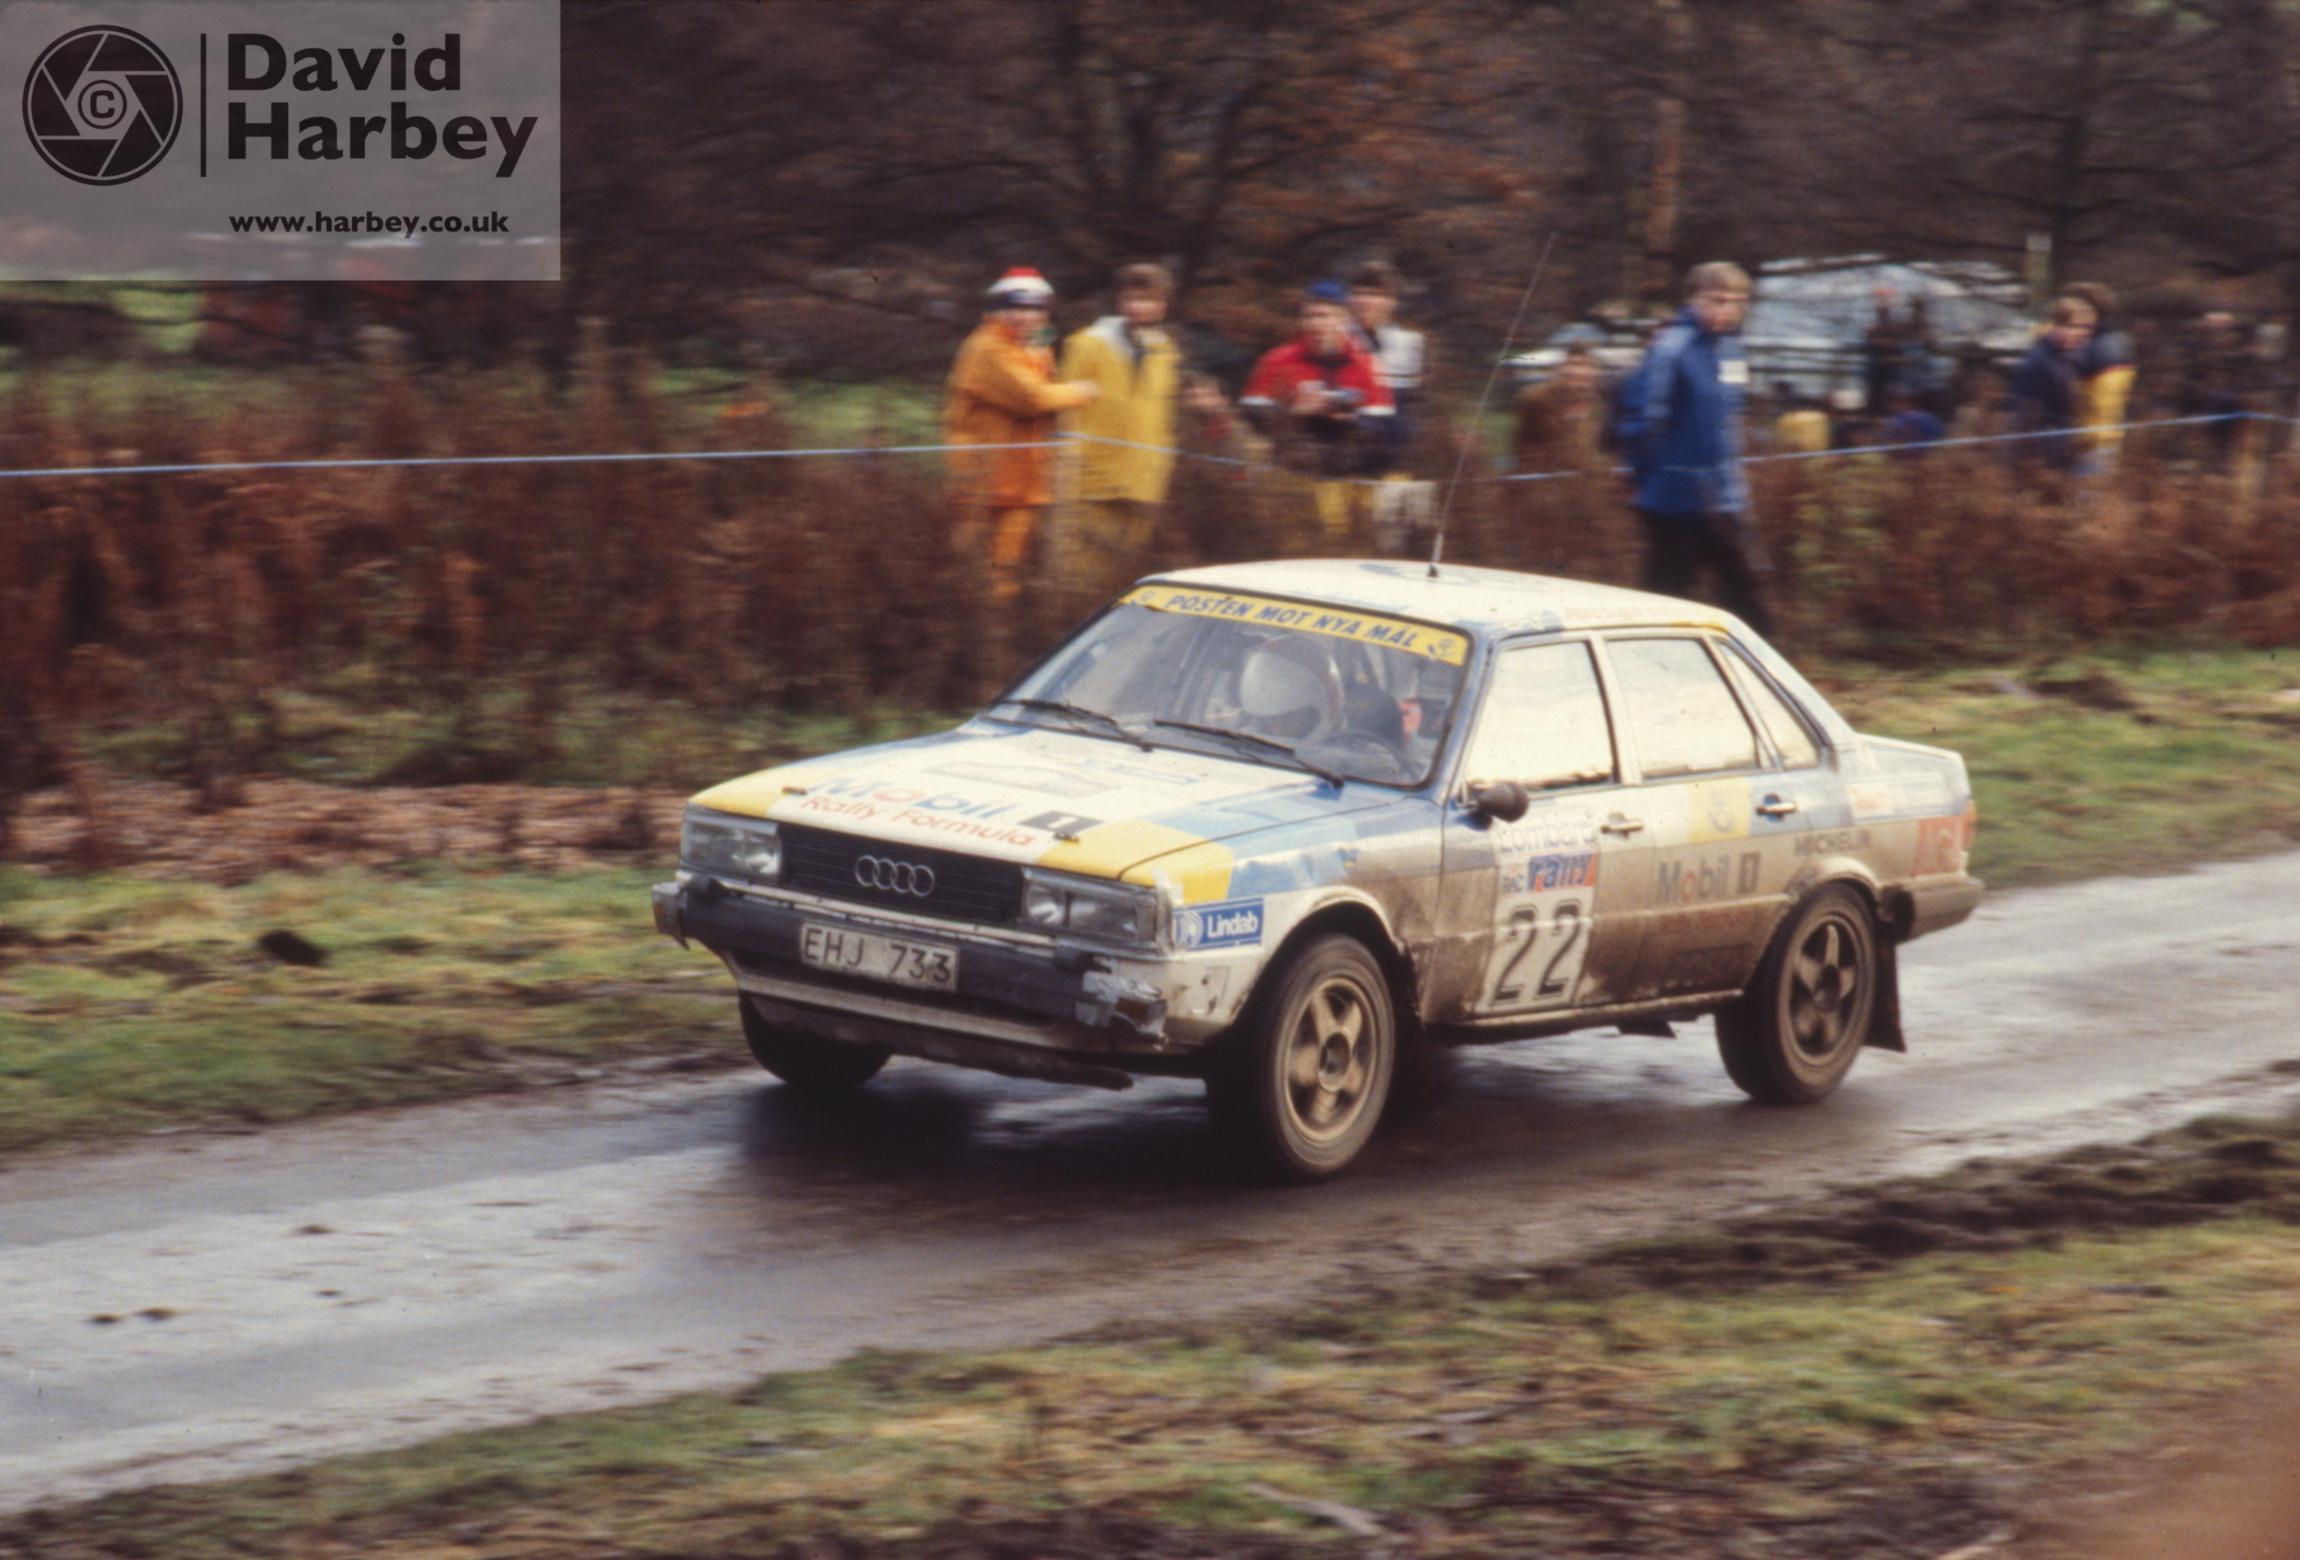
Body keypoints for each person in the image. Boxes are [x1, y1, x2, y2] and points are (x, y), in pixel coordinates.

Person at [1623, 261, 1775, 637]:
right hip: (1673, 501)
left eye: (1736, 302)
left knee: (1748, 594)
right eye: (1716, 300)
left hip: (1725, 499)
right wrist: (1647, 481)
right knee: (1665, 601)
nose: (1725, 310)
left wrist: (1738, 490)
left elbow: (1731, 424)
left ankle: (1765, 678)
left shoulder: (1733, 351)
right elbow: (1647, 422)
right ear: (1693, 299)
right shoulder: (1670, 348)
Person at [943, 268, 1098, 604]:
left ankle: (996, 626)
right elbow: (1032, 399)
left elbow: (1044, 387)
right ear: (1000, 308)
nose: (1028, 317)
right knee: (971, 566)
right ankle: (967, 626)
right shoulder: (986, 347)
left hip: (1022, 477)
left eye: (1037, 309)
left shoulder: (1033, 343)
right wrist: (1080, 391)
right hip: (984, 475)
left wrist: (1044, 354)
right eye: (1019, 307)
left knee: (1006, 570)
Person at [1056, 262, 1183, 604]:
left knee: (1124, 580)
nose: (1139, 307)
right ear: (1119, 301)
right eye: (1131, 298)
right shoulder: (1086, 343)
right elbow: (1065, 411)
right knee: (1083, 577)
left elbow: (1164, 418)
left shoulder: (1166, 351)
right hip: (1095, 480)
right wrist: (1070, 467)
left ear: (1163, 304)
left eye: (1148, 299)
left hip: (1143, 484)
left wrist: (1160, 469)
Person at [1240, 280, 1395, 544]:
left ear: (1344, 320)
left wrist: (1349, 420)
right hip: (1291, 482)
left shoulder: (1367, 365)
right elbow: (1248, 417)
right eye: (1308, 316)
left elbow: (1387, 431)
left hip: (1347, 484)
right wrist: (1293, 412)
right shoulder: (1276, 360)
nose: (1315, 324)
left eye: (1324, 316)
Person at [1347, 261, 1426, 471]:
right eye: (1358, 293)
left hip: (1392, 458)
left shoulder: (1409, 344)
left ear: (1392, 301)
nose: (1364, 301)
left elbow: (1409, 411)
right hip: (1344, 453)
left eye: (1374, 294)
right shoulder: (1338, 339)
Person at [2005, 294, 2095, 475]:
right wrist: (2031, 466)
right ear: (2056, 326)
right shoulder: (2039, 363)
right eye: (2073, 326)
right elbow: (2025, 419)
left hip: (2063, 450)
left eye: (2086, 328)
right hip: (2044, 459)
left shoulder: (2067, 357)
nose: (2081, 333)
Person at [2067, 281, 2135, 473]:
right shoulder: (2122, 340)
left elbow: (2075, 395)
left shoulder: (2090, 348)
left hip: (2088, 441)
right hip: (2111, 436)